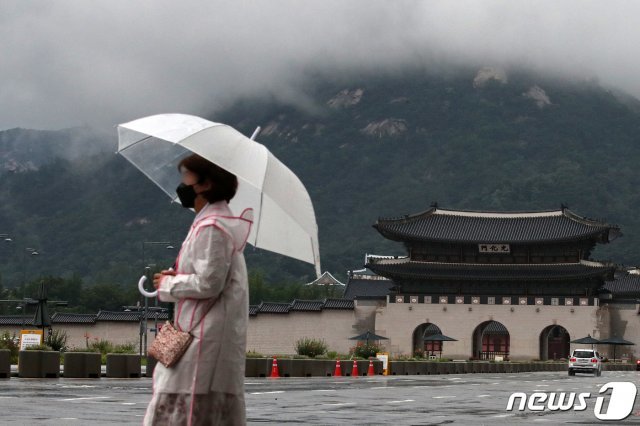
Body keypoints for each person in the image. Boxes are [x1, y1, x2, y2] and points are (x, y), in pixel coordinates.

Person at [144, 153, 253, 426]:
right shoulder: (214, 223)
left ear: (205, 184)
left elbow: (209, 282)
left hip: (202, 337)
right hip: (204, 333)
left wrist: (169, 284)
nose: (182, 184)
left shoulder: (213, 226)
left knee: (187, 410)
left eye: (186, 177)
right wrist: (177, 278)